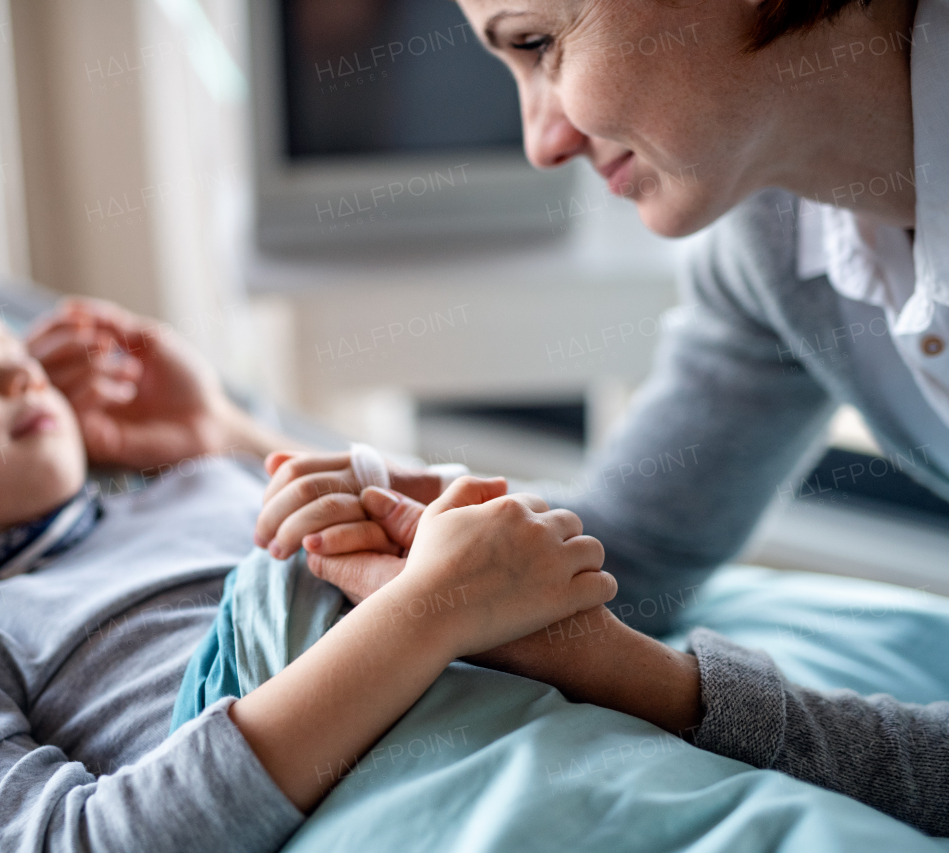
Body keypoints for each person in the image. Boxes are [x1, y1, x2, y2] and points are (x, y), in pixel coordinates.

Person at [254, 0, 949, 838]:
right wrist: (457, 529)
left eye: (540, 43)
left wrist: (648, 681)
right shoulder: (773, 238)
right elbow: (640, 544)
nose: (541, 143)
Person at [0, 248, 616, 852]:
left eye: (7, 340)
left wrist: (225, 429)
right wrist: (423, 615)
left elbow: (519, 552)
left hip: (554, 738)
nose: (17, 365)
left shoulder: (202, 477)